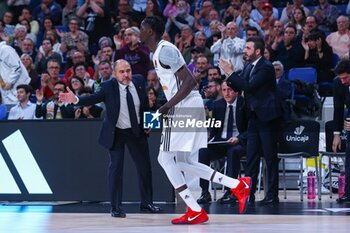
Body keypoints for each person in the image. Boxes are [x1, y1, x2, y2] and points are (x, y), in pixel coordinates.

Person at [139, 16, 251, 225]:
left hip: (184, 107)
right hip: (186, 106)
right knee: (183, 162)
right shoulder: (157, 52)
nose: (139, 31)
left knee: (165, 159)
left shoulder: (166, 50)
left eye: (142, 28)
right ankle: (236, 186)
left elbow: (190, 81)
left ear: (151, 31)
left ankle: (196, 207)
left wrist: (166, 106)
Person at [59, 59, 161, 217]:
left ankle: (147, 203)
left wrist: (149, 123)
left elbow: (146, 105)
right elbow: (94, 98)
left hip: (136, 131)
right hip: (117, 132)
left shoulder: (139, 81)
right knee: (116, 169)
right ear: (114, 74)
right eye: (122, 72)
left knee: (145, 168)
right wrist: (76, 100)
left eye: (128, 70)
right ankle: (115, 207)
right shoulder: (108, 86)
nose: (126, 74)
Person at [219, 36, 281, 205]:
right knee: (251, 158)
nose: (244, 51)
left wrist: (231, 73)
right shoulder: (248, 66)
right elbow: (239, 87)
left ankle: (271, 195)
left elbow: (250, 87)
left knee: (270, 157)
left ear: (257, 51)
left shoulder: (266, 67)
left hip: (267, 118)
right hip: (253, 117)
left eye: (247, 48)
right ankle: (249, 194)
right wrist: (229, 74)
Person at [197, 81, 247, 204]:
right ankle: (204, 191)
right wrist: (209, 136)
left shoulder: (244, 104)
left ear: (236, 91)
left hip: (239, 142)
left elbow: (250, 129)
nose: (226, 93)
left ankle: (231, 191)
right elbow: (215, 128)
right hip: (221, 141)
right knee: (203, 151)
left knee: (233, 151)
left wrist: (239, 138)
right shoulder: (218, 104)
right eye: (224, 90)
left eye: (229, 90)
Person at [331, 59, 350, 203]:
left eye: (346, 78)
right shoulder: (338, 83)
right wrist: (336, 134)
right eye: (341, 78)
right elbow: (338, 109)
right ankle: (348, 193)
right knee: (349, 160)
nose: (343, 81)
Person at [0, 38, 31, 104]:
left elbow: (17, 67)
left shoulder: (5, 49)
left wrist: (10, 82)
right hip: (6, 92)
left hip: (18, 87)